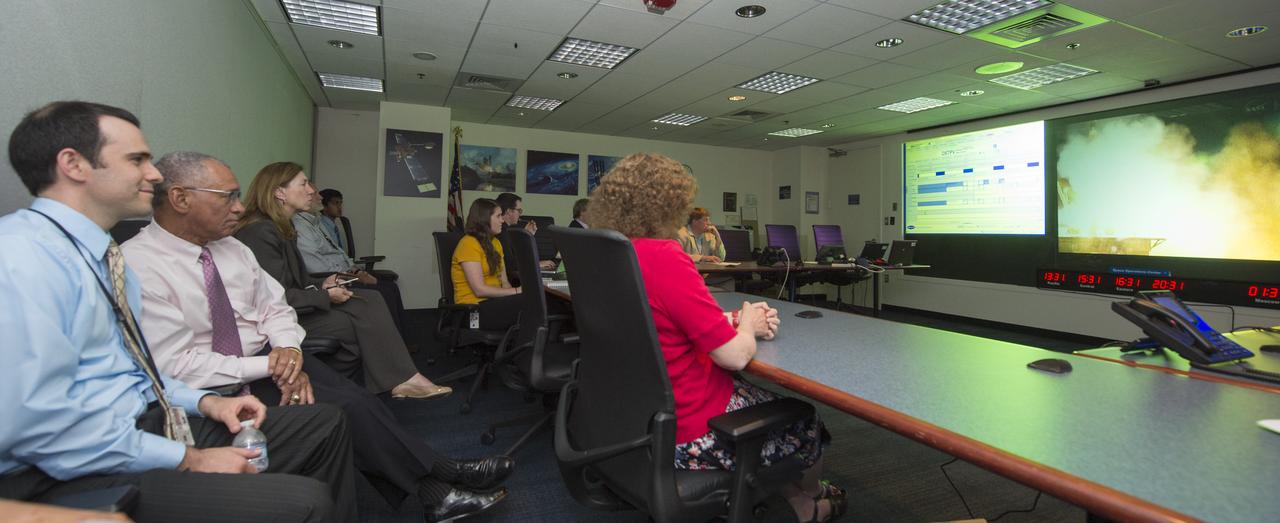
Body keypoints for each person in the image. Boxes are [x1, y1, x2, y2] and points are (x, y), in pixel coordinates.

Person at [0, 101, 358, 522]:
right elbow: (40, 427)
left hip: (146, 421)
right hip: (66, 469)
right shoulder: (22, 259)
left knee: (326, 423)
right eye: (137, 160)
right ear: (73, 165)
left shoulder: (101, 257)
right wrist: (190, 459)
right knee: (307, 502)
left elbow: (136, 372)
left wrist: (204, 402)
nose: (154, 174)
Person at [123, 152, 511, 521]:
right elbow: (175, 367)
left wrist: (288, 348)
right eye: (228, 197)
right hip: (220, 385)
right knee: (347, 409)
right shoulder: (138, 264)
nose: (239, 208)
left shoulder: (232, 249)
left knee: (359, 399)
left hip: (273, 355)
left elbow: (275, 306)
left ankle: (438, 490)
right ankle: (442, 479)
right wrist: (273, 364)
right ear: (180, 199)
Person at [584, 153, 845, 522]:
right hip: (688, 428)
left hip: (629, 418)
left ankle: (799, 503)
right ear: (669, 204)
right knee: (806, 418)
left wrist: (729, 320)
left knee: (753, 404)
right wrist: (747, 325)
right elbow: (734, 357)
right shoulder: (664, 255)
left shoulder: (613, 254)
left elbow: (654, 320)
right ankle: (815, 500)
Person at [233, 162, 450, 400]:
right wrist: (325, 295)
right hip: (276, 321)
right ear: (279, 192)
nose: (311, 190)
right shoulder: (260, 233)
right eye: (303, 184)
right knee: (356, 324)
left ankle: (375, 386)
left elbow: (296, 280)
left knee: (369, 303)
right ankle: (378, 385)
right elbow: (275, 298)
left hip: (294, 308)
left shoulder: (280, 227)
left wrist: (324, 282)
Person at [294, 187, 409, 341]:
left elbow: (339, 252)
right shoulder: (300, 226)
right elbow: (316, 265)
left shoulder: (316, 222)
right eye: (315, 193)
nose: (319, 197)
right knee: (385, 291)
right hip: (334, 279)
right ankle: (394, 340)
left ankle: (402, 338)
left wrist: (356, 270)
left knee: (391, 287)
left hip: (346, 272)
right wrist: (352, 275)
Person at [452, 198, 523, 330]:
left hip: (493, 303)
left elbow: (504, 282)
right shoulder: (468, 244)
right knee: (532, 304)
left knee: (535, 301)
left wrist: (516, 293)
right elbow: (479, 290)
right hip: (472, 311)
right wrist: (516, 291)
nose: (502, 220)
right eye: (498, 216)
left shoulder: (496, 243)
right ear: (484, 219)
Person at [317, 188, 351, 257]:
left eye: (340, 203)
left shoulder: (335, 226)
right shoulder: (320, 227)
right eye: (335, 203)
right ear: (324, 206)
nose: (339, 207)